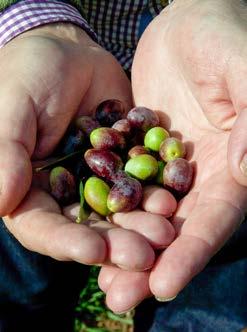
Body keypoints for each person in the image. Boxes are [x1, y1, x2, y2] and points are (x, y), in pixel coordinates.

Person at [0, 0, 247, 331]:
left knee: (201, 292)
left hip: (208, 103)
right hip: (56, 113)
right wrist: (34, 19)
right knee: (20, 292)